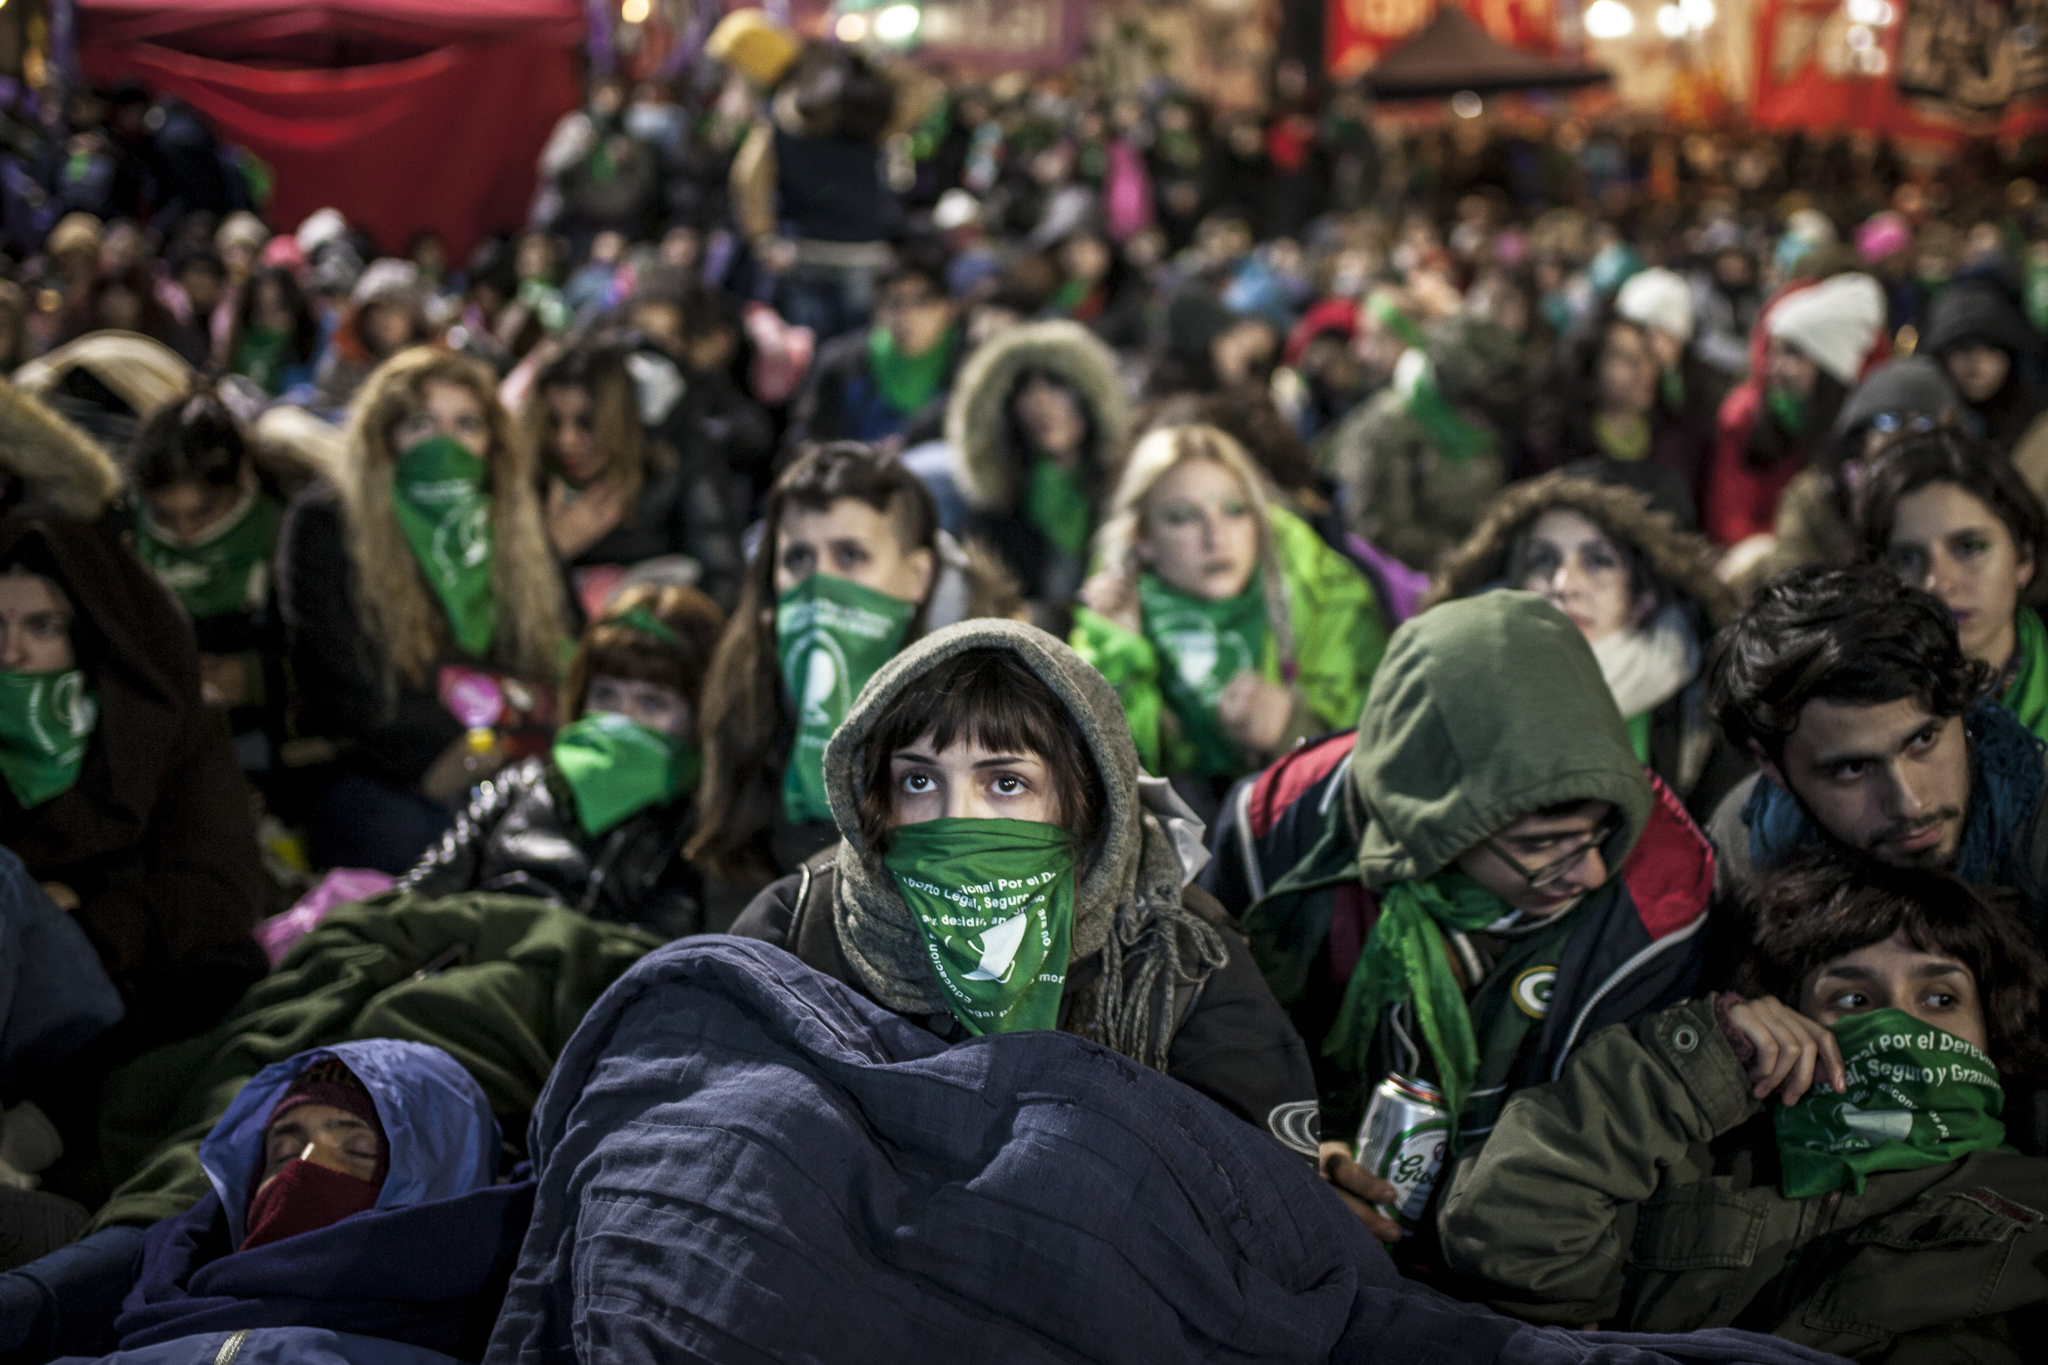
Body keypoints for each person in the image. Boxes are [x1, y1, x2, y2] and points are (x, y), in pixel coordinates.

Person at [1199, 592, 1713, 1245]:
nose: (1587, 872)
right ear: (1435, 819)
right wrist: (1288, 1160)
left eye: (1597, 833)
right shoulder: (1283, 827)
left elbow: (1615, 1150)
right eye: (1540, 844)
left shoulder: (1655, 907)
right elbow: (1208, 1054)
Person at [727, 620, 1319, 1137]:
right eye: (919, 781)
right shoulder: (800, 926)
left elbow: (1248, 1189)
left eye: (1005, 783)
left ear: (1086, 807)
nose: (957, 816)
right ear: (872, 797)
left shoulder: (1179, 961)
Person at [1439, 853, 2048, 1355]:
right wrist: (1700, 1058)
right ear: (1791, 1017)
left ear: (1992, 1030)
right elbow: (1505, 1247)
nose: (1896, 1026)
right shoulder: (1685, 1155)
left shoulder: (2031, 1195)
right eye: (1854, 1000)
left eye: (1940, 999)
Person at [0, 383, 268, 1044]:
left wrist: (85, 915)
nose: (12, 651)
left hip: (110, 985)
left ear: (90, 636)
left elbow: (218, 895)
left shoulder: (166, 721)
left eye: (41, 626)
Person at [20, 1041, 529, 1363]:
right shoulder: (152, 1300)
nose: (304, 1167)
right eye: (281, 1149)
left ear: (442, 1181)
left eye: (357, 1150)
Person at [687, 442, 1021, 910]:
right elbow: (728, 871)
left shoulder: (1001, 705)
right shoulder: (747, 689)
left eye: (849, 556)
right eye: (798, 559)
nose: (820, 584)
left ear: (918, 577)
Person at [279, 347, 571, 874]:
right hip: (384, 771)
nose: (445, 443)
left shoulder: (516, 521)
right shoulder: (329, 524)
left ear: (492, 444)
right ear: (382, 440)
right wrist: (450, 756)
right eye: (420, 424)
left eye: (466, 424)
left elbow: (561, 649)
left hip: (514, 754)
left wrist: (499, 746)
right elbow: (348, 682)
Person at [1071, 424, 1386, 812]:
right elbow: (1097, 800)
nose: (1215, 535)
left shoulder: (1329, 595)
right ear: (1143, 538)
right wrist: (1122, 655)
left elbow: (1389, 765)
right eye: (1184, 516)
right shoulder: (1105, 631)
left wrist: (1296, 728)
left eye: (1234, 511)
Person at [1705, 565, 2048, 913]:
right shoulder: (1744, 843)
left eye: (1924, 739)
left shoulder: (2039, 827)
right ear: (1771, 766)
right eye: (1852, 769)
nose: (1910, 803)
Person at [400, 584, 725, 938]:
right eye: (605, 694)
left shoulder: (704, 828)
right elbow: (419, 894)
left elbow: (655, 957)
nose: (620, 717)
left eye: (651, 703)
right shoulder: (523, 782)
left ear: (700, 714)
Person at [1423, 475, 1749, 822]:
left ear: (1643, 598)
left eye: (1598, 561)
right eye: (1542, 560)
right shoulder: (1453, 682)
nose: (1565, 586)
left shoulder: (1705, 709)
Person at [127, 390, 289, 781]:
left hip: (260, 745)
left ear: (242, 478)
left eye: (202, 512)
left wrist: (255, 677)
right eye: (165, 516)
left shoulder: (285, 534)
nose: (184, 531)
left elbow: (335, 662)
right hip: (151, 739)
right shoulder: (121, 537)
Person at [1857, 427, 2048, 746]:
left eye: (1969, 547)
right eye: (1907, 557)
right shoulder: (1850, 711)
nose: (1937, 583)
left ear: (2024, 559)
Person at [521, 339, 742, 613]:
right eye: (553, 421)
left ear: (619, 418)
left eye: (586, 423)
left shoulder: (674, 471)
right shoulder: (531, 482)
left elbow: (723, 584)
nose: (566, 441)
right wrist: (553, 551)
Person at [945, 319, 1129, 618]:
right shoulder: (996, 506)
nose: (1039, 401)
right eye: (1024, 388)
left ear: (1091, 395)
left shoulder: (1123, 498)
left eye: (1056, 383)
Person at [1737, 357, 1957, 592]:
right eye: (1889, 421)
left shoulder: (1962, 495)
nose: (1907, 436)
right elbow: (1790, 587)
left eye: (1924, 423)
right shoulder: (1818, 495)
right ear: (1861, 435)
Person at [1702, 272, 1887, 548]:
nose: (1772, 365)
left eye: (1791, 353)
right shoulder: (1745, 415)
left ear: (1829, 368)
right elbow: (1729, 521)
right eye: (1772, 351)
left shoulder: (1860, 429)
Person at [1325, 313, 1518, 573]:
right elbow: (1380, 533)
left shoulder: (1486, 422)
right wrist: (1465, 559)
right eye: (1483, 391)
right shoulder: (1386, 428)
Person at [784, 245, 963, 455]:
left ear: (949, 307)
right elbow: (806, 440)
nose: (906, 314)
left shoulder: (968, 363)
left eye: (921, 301)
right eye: (894, 302)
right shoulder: (840, 361)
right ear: (877, 309)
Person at [1919, 280, 2048, 480]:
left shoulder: (2039, 424)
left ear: (2011, 357)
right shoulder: (1928, 419)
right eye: (1962, 350)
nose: (1976, 366)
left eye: (1990, 349)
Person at [310, 259, 430, 414]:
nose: (386, 319)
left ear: (415, 318)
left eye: (396, 309)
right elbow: (325, 407)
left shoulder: (430, 364)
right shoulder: (343, 361)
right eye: (378, 310)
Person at [222, 266, 323, 398]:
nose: (269, 321)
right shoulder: (238, 346)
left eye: (278, 308)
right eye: (261, 312)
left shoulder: (311, 348)